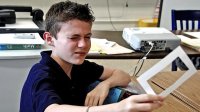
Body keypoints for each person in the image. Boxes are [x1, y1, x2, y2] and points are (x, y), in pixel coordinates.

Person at [20, 1, 164, 112]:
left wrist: (105, 85)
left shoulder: (78, 66)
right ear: (50, 39)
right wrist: (118, 108)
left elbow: (122, 76)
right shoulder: (41, 74)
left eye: (87, 37)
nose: (83, 44)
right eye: (74, 37)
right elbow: (53, 109)